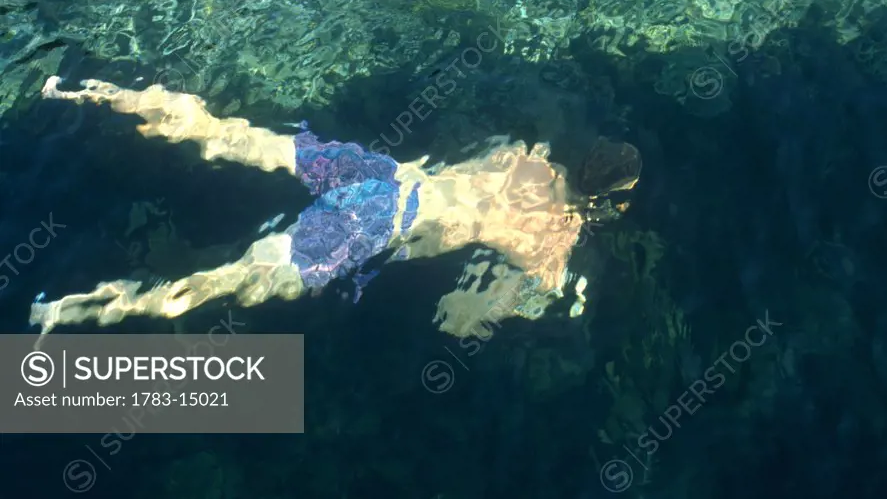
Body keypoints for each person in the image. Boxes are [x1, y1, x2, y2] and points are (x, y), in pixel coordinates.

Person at [30, 75, 640, 340]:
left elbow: (477, 156)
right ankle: (69, 311)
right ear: (609, 197)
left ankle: (94, 93)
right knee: (230, 282)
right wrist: (570, 294)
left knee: (234, 136)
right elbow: (490, 307)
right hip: (382, 222)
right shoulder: (549, 240)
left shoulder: (528, 158)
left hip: (380, 174)